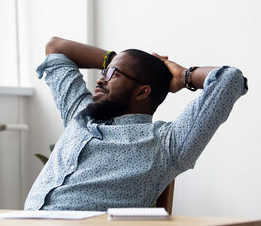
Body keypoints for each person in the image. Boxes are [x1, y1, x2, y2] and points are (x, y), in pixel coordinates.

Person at [24, 37, 248, 211]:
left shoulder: (167, 143)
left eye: (113, 73)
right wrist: (116, 58)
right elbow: (56, 47)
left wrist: (183, 76)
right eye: (105, 71)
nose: (101, 79)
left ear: (143, 91)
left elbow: (230, 80)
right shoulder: (81, 113)